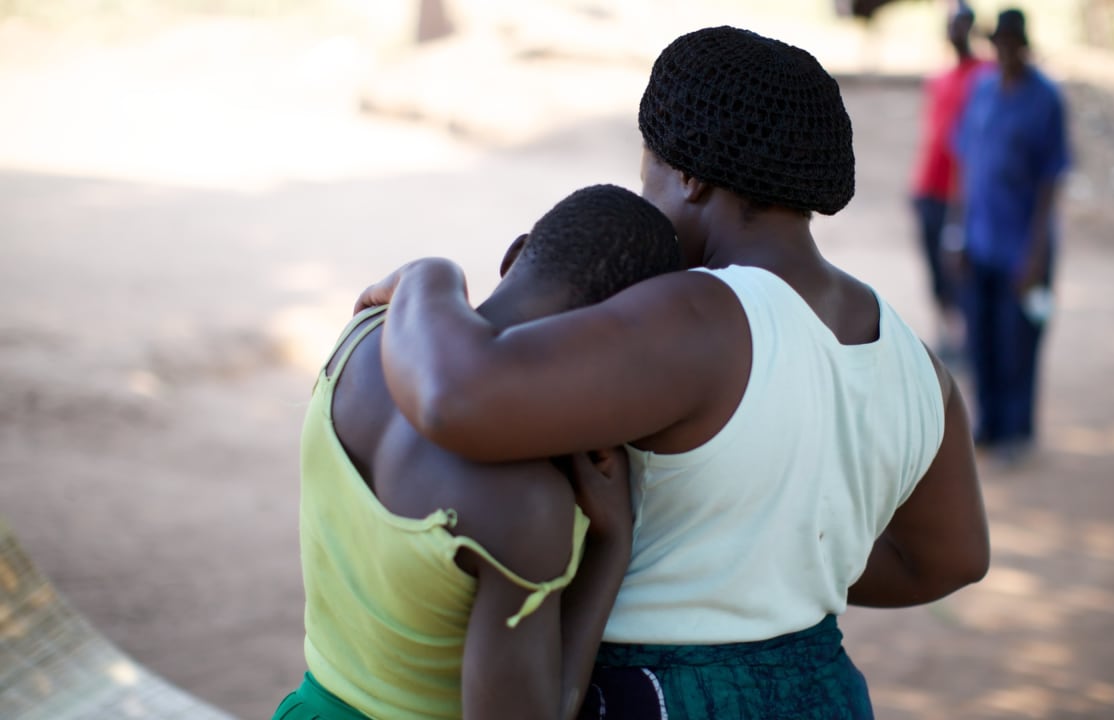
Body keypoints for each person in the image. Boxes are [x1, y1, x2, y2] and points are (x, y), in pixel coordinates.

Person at [361, 27, 989, 719]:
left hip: (659, 694)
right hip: (823, 690)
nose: (645, 201)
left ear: (688, 176)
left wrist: (428, 279)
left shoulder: (704, 312)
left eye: (647, 178)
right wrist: (775, 562)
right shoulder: (916, 363)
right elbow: (951, 559)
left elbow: (456, 398)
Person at [272, 184, 683, 720]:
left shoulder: (364, 335)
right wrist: (613, 539)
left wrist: (432, 273)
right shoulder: (526, 498)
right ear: (619, 346)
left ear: (515, 254)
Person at [953, 8, 1070, 463]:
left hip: (1023, 248)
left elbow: (1050, 182)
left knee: (1017, 341)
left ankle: (1017, 431)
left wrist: (1036, 254)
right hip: (979, 240)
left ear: (1023, 45)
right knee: (980, 338)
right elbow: (967, 166)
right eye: (996, 42)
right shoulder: (982, 92)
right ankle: (990, 423)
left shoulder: (1046, 99)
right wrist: (956, 232)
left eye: (1010, 43)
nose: (1002, 50)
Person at [909, 3, 984, 361]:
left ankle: (967, 336)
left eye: (962, 25)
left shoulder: (986, 74)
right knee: (935, 268)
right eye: (951, 25)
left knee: (960, 267)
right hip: (928, 189)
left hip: (964, 193)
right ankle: (946, 335)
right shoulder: (937, 79)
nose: (955, 32)